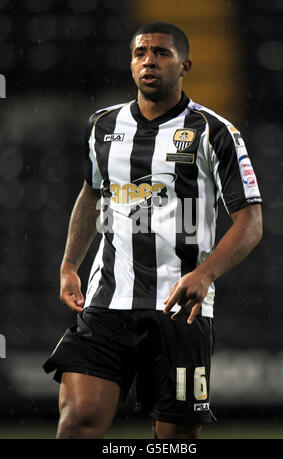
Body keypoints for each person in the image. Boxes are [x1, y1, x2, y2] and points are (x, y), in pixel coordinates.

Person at [43, 21, 263, 439]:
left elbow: (250, 223)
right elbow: (92, 194)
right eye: (141, 52)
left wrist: (204, 274)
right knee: (77, 423)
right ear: (131, 63)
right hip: (106, 303)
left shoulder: (214, 132)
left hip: (180, 311)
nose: (149, 61)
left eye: (162, 53)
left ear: (185, 66)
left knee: (175, 440)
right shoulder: (103, 126)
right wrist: (70, 264)